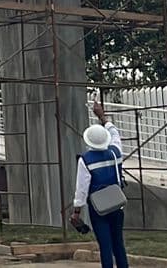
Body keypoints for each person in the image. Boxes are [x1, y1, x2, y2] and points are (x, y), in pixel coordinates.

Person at [72, 102, 129, 268]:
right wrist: (102, 116)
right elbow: (115, 133)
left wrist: (77, 212)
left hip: (98, 208)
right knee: (118, 243)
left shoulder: (86, 160)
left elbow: (81, 189)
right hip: (117, 204)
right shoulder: (115, 152)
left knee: (105, 245)